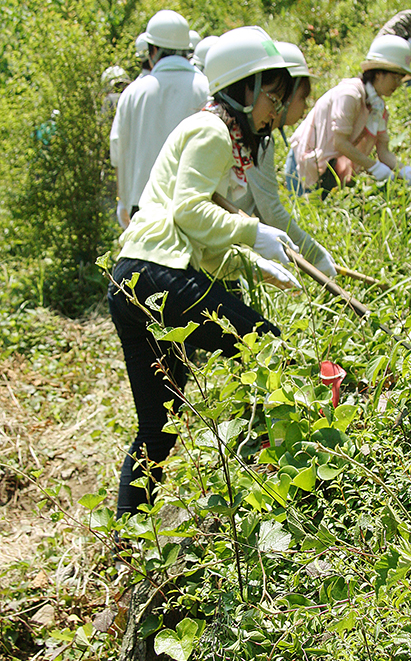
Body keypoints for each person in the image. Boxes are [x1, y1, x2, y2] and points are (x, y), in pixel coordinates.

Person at [107, 26, 298, 520]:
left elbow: (202, 244)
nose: (274, 112)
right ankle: (278, 478)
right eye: (272, 98)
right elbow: (190, 215)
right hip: (156, 273)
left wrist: (255, 263)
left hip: (133, 280)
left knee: (159, 430)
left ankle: (130, 543)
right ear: (245, 90)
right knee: (265, 345)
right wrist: (252, 232)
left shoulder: (221, 137)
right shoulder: (212, 130)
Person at [233, 41, 336, 277]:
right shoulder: (254, 138)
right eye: (303, 97)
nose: (306, 105)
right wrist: (313, 254)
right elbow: (270, 209)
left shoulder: (261, 137)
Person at [286, 34, 411, 196]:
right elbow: (340, 143)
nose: (398, 84)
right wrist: (373, 166)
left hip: (329, 172)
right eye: (395, 78)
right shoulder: (350, 95)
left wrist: (403, 170)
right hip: (304, 166)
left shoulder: (378, 108)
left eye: (400, 79)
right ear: (379, 73)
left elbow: (383, 151)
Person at [110, 10, 209, 230]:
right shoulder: (205, 88)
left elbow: (118, 151)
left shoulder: (133, 93)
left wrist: (123, 202)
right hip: (195, 209)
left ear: (152, 50)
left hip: (143, 207)